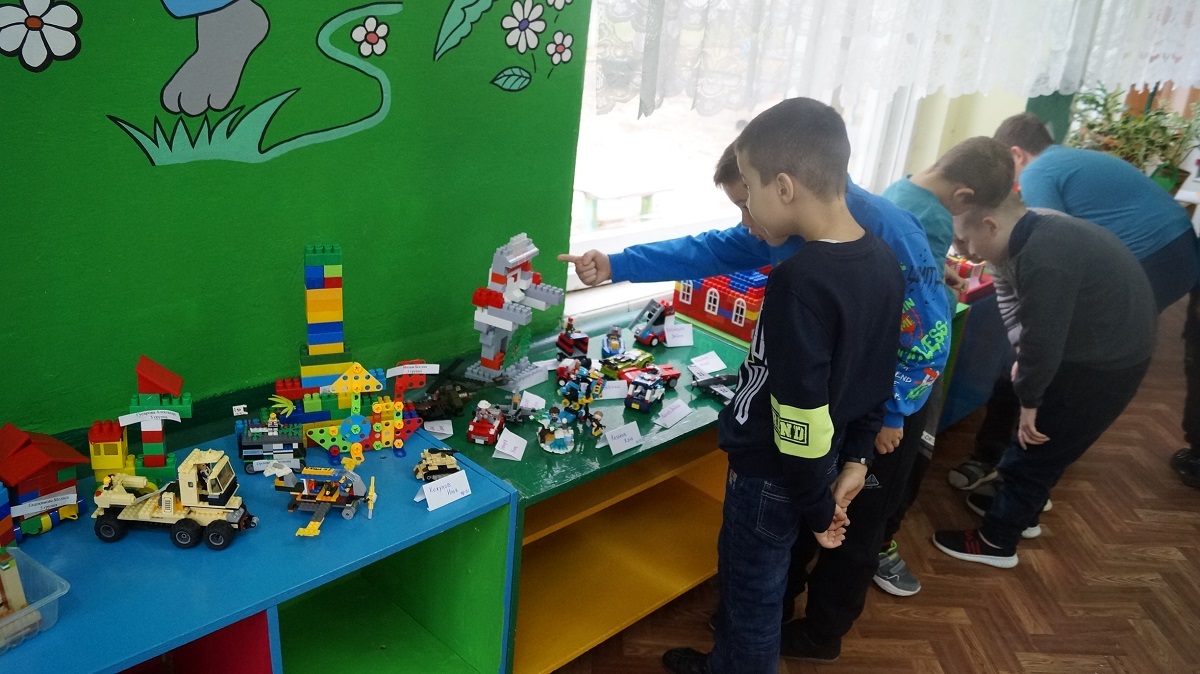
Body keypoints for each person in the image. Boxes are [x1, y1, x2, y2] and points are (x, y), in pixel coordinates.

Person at [561, 120, 949, 664]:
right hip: (826, 435)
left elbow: (925, 335)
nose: (746, 223)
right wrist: (619, 264)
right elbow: (717, 249)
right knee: (772, 569)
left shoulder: (878, 240)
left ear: (783, 187)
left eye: (747, 203)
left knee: (843, 539)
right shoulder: (804, 227)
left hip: (867, 419)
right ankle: (753, 636)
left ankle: (810, 636)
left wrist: (890, 415)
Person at [652, 97, 904, 674]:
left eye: (751, 192)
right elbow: (876, 378)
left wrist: (818, 508)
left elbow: (799, 414)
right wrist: (857, 460)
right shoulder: (882, 262)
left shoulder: (798, 279)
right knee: (757, 594)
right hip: (822, 467)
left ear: (784, 188)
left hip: (772, 473)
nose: (747, 215)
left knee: (751, 599)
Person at [946, 112, 1200, 492]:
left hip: (1151, 259)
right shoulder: (1065, 158)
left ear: (1016, 154)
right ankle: (1020, 457)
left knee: (1065, 367)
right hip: (1179, 251)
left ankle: (1022, 464)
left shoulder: (1037, 174)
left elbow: (1045, 267)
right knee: (1039, 357)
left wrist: (1030, 378)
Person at [933, 138, 1156, 568]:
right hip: (1093, 344)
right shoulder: (1018, 236)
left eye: (963, 240)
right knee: (1039, 435)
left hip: (1106, 363)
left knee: (1034, 449)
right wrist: (1023, 357)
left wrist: (1031, 401)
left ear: (990, 225)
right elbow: (1010, 302)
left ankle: (997, 542)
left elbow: (1043, 338)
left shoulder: (1045, 256)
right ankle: (1023, 514)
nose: (961, 252)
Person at [873, 137, 1015, 596]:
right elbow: (923, 311)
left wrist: (938, 276)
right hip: (910, 369)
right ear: (962, 197)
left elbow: (911, 273)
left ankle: (870, 535)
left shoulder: (901, 188)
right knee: (910, 458)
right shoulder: (934, 216)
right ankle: (878, 543)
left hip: (879, 354)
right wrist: (948, 295)